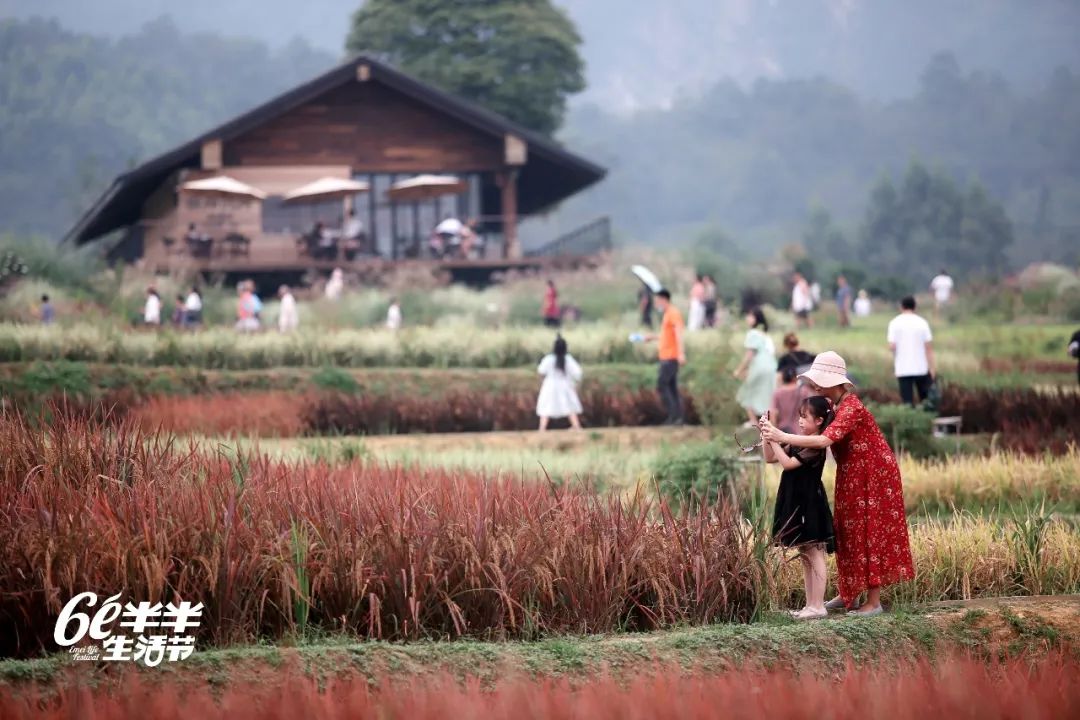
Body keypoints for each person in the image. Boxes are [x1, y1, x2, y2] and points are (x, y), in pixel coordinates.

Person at [760, 351, 915, 615]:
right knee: (848, 531)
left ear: (836, 381)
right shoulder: (833, 407)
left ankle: (873, 601)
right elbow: (809, 438)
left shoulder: (851, 407)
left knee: (869, 530)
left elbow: (822, 441)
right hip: (851, 472)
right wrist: (774, 436)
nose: (816, 384)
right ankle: (849, 594)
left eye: (821, 380)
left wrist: (780, 434)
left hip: (873, 474)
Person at [763, 395, 836, 620]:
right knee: (805, 552)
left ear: (819, 421)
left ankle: (818, 605)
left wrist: (775, 437)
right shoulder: (797, 439)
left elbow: (787, 463)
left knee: (815, 552)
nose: (801, 421)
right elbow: (769, 458)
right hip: (795, 499)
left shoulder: (815, 445)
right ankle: (810, 605)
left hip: (809, 502)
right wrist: (766, 435)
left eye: (805, 417)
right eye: (800, 417)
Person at [645, 289, 685, 425]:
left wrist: (681, 353)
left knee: (662, 384)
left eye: (657, 301)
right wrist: (652, 337)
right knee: (671, 386)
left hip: (671, 356)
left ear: (664, 300)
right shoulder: (667, 314)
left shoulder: (673, 313)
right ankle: (677, 417)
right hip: (666, 355)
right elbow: (667, 335)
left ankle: (674, 416)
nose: (656, 304)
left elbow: (678, 333)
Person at [887, 296, 936, 407]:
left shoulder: (894, 323)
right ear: (915, 307)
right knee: (926, 402)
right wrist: (932, 368)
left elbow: (892, 346)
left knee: (907, 403)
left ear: (901, 307)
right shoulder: (922, 323)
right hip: (921, 368)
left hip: (903, 369)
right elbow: (929, 348)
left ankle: (910, 421)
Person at [733, 307, 777, 427]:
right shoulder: (765, 335)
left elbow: (749, 355)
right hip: (771, 366)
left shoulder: (752, 333)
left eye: (750, 316)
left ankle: (753, 421)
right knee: (768, 395)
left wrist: (739, 370)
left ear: (756, 319)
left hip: (759, 366)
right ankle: (770, 424)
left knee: (747, 391)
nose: (747, 318)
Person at [536, 335, 584, 431]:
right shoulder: (568, 359)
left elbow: (541, 372)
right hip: (565, 384)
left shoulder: (549, 359)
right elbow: (578, 373)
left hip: (550, 385)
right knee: (569, 406)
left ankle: (542, 429)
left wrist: (542, 382)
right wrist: (576, 385)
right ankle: (577, 427)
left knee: (546, 406)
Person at [770, 366, 803, 435]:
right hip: (801, 430)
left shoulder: (777, 393)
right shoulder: (803, 390)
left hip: (783, 432)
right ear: (795, 377)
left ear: (783, 378)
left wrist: (775, 431)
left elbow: (773, 413)